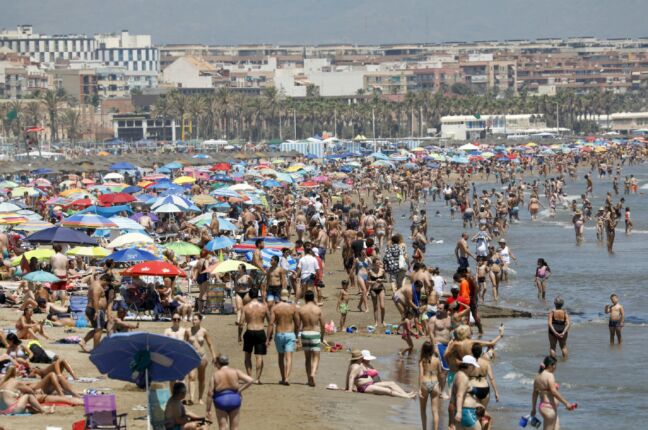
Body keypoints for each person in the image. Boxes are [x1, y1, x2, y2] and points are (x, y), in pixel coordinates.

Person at [206, 354, 254, 430]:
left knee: (222, 427)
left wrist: (208, 410)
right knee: (235, 428)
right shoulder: (235, 371)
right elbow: (250, 380)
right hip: (235, 399)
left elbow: (210, 393)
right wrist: (239, 390)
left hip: (221, 400)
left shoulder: (215, 375)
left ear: (218, 363)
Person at [346, 349, 415, 398]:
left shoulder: (356, 365)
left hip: (370, 384)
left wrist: (347, 387)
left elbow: (348, 376)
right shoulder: (357, 366)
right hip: (365, 387)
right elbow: (351, 377)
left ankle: (406, 394)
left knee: (391, 383)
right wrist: (349, 389)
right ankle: (406, 396)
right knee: (388, 390)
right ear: (360, 358)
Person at [531, 356, 576, 430]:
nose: (555, 367)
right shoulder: (550, 376)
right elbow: (554, 392)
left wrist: (533, 409)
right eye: (555, 365)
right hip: (549, 408)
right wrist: (566, 403)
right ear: (550, 365)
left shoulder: (537, 376)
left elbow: (534, 394)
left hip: (544, 406)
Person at [266, 289, 299, 385]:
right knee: (289, 357)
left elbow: (271, 323)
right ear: (288, 296)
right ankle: (287, 378)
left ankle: (283, 377)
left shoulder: (275, 308)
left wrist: (268, 338)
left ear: (280, 296)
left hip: (279, 334)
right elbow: (297, 324)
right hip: (289, 334)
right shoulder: (293, 308)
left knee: (281, 357)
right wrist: (297, 336)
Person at [187, 314, 217, 405]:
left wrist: (214, 356)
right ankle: (191, 398)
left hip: (202, 356)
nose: (193, 321)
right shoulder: (188, 331)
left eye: (195, 319)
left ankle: (200, 398)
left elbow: (210, 344)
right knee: (191, 377)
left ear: (200, 320)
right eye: (193, 319)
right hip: (191, 357)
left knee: (201, 378)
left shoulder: (204, 331)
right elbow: (184, 343)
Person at [297, 290, 325, 387]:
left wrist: (297, 337)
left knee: (307, 358)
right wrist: (322, 336)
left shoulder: (301, 309)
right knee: (316, 357)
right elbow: (323, 324)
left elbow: (298, 325)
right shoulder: (317, 309)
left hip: (305, 333)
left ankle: (309, 379)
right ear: (313, 298)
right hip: (315, 333)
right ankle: (313, 374)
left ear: (305, 298)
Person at [241, 288, 269, 384]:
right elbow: (270, 321)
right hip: (260, 331)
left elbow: (241, 322)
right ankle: (257, 379)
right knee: (259, 356)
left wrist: (239, 335)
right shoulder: (264, 307)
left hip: (249, 331)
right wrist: (270, 336)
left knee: (247, 356)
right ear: (258, 295)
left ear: (249, 295)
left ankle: (249, 377)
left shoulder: (245, 307)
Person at [79, 274, 110, 352]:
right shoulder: (97, 286)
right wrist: (96, 311)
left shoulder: (94, 284)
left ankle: (83, 341)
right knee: (99, 330)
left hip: (93, 309)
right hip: (96, 310)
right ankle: (96, 349)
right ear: (105, 280)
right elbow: (95, 299)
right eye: (107, 283)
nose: (106, 285)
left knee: (97, 329)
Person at [452, 355, 483, 430]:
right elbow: (459, 395)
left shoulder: (458, 374)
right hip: (467, 411)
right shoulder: (463, 378)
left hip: (463, 410)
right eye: (473, 366)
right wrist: (459, 412)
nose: (474, 368)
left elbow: (454, 394)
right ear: (469, 366)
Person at [419, 341, 443, 430]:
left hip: (425, 383)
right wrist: (440, 387)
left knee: (423, 409)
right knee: (435, 411)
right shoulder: (437, 360)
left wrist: (419, 389)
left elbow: (421, 375)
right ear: (432, 350)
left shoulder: (422, 361)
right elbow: (441, 374)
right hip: (435, 383)